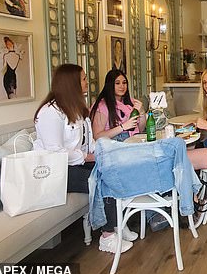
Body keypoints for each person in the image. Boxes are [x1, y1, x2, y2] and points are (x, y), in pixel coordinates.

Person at [33, 64, 135, 254]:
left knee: (114, 170)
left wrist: (103, 153)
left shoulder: (75, 109)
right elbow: (56, 153)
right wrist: (89, 157)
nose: (87, 82)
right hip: (57, 171)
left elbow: (87, 143)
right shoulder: (49, 112)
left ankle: (118, 226)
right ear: (71, 83)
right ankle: (107, 236)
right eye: (83, 78)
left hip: (76, 163)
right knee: (102, 180)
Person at [89, 69, 146, 141]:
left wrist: (142, 113)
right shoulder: (102, 106)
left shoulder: (130, 102)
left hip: (131, 142)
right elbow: (97, 136)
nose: (122, 86)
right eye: (117, 83)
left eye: (124, 83)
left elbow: (140, 130)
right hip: (112, 146)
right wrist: (122, 127)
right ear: (110, 85)